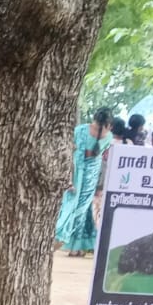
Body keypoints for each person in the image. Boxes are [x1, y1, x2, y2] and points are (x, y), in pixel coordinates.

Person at [55, 107, 114, 258]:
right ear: (108, 124)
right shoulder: (108, 136)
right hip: (91, 177)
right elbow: (98, 157)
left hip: (76, 176)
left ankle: (64, 238)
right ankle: (74, 245)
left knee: (72, 208)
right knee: (81, 210)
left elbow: (70, 154)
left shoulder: (80, 131)